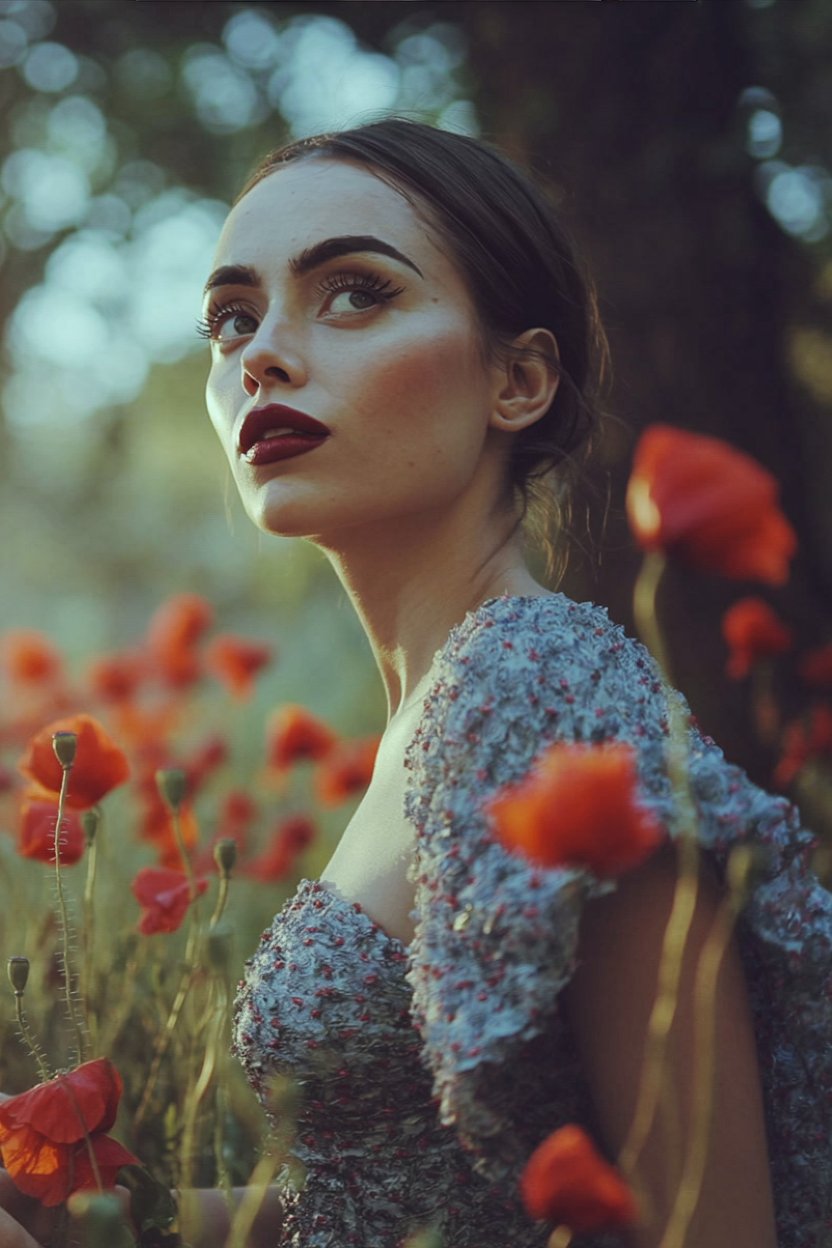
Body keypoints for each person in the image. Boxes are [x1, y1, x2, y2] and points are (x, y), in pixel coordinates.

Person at [2, 117, 830, 1248]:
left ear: (517, 381)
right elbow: (384, 1206)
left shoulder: (543, 693)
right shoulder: (443, 704)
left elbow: (710, 1228)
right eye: (232, 318)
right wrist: (85, 1224)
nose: (261, 356)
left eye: (353, 293)